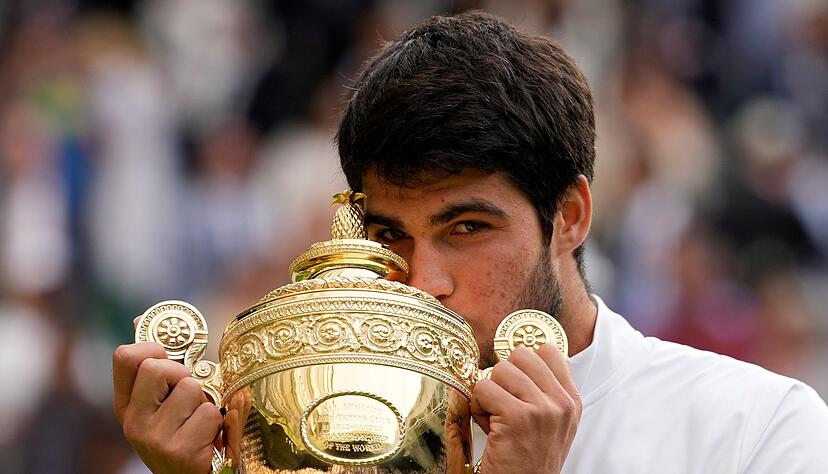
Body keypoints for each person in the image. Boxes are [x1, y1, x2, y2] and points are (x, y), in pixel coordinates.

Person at [112, 11, 828, 473]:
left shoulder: (753, 428)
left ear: (571, 215)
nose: (423, 281)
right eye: (389, 235)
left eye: (466, 228)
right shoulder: (314, 428)